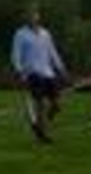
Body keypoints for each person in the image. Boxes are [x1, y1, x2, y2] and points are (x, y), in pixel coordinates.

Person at [10, 9, 69, 143]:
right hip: (32, 73)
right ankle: (42, 133)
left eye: (34, 16)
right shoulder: (20, 34)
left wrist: (61, 68)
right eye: (29, 16)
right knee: (40, 103)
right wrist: (19, 71)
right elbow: (15, 54)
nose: (32, 18)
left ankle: (38, 125)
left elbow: (52, 51)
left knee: (57, 105)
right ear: (26, 18)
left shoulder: (45, 33)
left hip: (48, 72)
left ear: (38, 17)